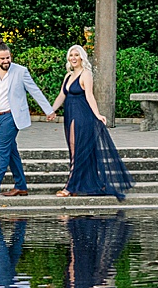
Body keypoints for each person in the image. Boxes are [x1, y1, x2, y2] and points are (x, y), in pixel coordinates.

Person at [53, 44, 134, 199]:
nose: (73, 58)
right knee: (73, 150)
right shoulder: (68, 76)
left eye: (76, 55)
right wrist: (51, 110)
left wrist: (97, 114)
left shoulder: (86, 74)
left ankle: (70, 186)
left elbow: (90, 95)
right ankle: (79, 184)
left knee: (79, 151)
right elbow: (61, 95)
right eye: (71, 55)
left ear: (82, 57)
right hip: (70, 115)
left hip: (83, 116)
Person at [0, 42, 56, 197]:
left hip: (12, 117)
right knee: (11, 152)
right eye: (2, 58)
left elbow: (34, 90)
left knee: (3, 151)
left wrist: (49, 110)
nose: (6, 61)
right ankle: (21, 185)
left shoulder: (21, 71)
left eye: (8, 57)